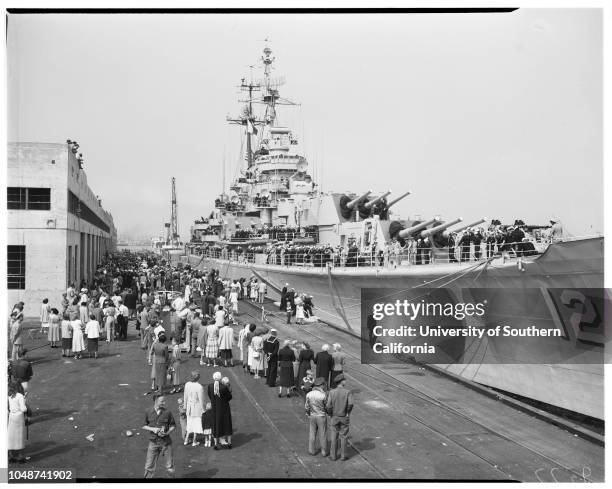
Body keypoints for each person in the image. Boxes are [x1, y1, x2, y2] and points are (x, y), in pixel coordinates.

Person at [143, 394, 176, 478]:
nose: (164, 403)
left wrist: (168, 432)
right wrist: (153, 429)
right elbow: (144, 425)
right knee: (149, 466)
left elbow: (173, 425)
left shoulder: (167, 412)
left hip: (166, 443)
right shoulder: (148, 411)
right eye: (162, 401)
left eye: (164, 401)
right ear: (156, 401)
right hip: (153, 442)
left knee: (170, 466)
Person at [326, 374, 354, 461]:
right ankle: (343, 456)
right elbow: (350, 404)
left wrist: (330, 414)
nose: (345, 381)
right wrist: (347, 413)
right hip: (344, 417)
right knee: (344, 436)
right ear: (341, 382)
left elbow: (328, 406)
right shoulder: (347, 392)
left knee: (334, 437)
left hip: (334, 417)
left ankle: (333, 456)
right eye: (344, 380)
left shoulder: (332, 392)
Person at [207, 372, 233, 449]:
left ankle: (216, 443)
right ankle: (229, 443)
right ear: (220, 378)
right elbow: (229, 397)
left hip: (215, 408)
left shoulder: (210, 386)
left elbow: (210, 396)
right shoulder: (223, 387)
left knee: (216, 425)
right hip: (224, 409)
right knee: (227, 424)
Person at [305, 377, 328, 457]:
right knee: (323, 434)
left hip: (312, 416)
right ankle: (324, 451)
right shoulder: (323, 395)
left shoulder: (309, 394)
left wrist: (308, 414)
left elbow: (307, 406)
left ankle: (311, 450)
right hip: (321, 416)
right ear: (321, 385)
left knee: (312, 433)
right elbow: (327, 406)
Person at [8, 381, 29, 463]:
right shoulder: (20, 396)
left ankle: (11, 456)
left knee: (11, 436)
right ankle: (20, 457)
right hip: (19, 417)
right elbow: (23, 408)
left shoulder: (9, 395)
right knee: (19, 437)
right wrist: (24, 401)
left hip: (11, 416)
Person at [183, 371, 205, 447]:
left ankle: (186, 440)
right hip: (196, 408)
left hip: (189, 407)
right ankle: (194, 441)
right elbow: (201, 400)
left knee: (189, 424)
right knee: (196, 424)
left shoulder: (187, 384)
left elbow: (185, 396)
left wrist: (185, 406)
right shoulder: (199, 387)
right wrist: (203, 409)